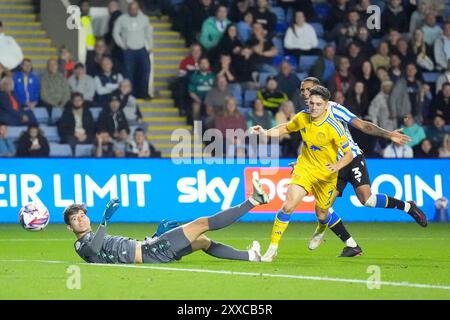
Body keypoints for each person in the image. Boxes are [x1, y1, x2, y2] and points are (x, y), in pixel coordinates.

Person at [294, 77, 427, 252]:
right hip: (331, 167)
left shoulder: (334, 108)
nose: (305, 93)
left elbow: (362, 125)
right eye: (302, 90)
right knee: (321, 211)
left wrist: (388, 135)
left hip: (351, 158)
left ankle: (408, 207)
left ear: (318, 90)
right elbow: (310, 144)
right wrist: (300, 162)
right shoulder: (306, 116)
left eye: (308, 89)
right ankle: (351, 246)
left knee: (368, 200)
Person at [251, 85, 360, 260]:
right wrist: (265, 132)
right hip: (305, 168)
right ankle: (272, 248)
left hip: (326, 175)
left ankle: (321, 228)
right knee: (288, 205)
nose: (314, 107)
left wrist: (337, 166)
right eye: (311, 103)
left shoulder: (334, 126)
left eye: (318, 104)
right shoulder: (303, 117)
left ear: (326, 105)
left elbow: (349, 154)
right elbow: (286, 128)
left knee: (322, 213)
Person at [65, 179, 269, 264]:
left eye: (82, 215)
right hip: (151, 251)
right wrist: (105, 221)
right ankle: (253, 200)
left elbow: (123, 250)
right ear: (69, 228)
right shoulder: (81, 244)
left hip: (150, 248)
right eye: (75, 219)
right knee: (201, 223)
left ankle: (252, 256)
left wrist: (154, 236)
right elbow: (93, 251)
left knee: (203, 241)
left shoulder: (91, 237)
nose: (81, 220)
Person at [113, 1, 152, 99]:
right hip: (129, 50)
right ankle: (129, 95)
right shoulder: (121, 19)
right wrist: (122, 45)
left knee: (146, 71)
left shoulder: (145, 19)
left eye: (135, 8)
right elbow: (115, 33)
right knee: (129, 73)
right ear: (128, 9)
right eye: (131, 8)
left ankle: (144, 93)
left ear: (138, 9)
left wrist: (149, 46)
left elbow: (149, 34)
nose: (133, 10)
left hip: (142, 49)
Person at [188, 57, 215, 123]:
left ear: (208, 64)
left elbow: (216, 90)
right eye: (202, 63)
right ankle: (197, 129)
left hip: (210, 100)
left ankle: (212, 128)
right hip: (198, 99)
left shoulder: (213, 76)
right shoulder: (194, 76)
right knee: (196, 107)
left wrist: (209, 101)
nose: (204, 65)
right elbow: (191, 92)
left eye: (205, 63)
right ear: (199, 65)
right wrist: (199, 100)